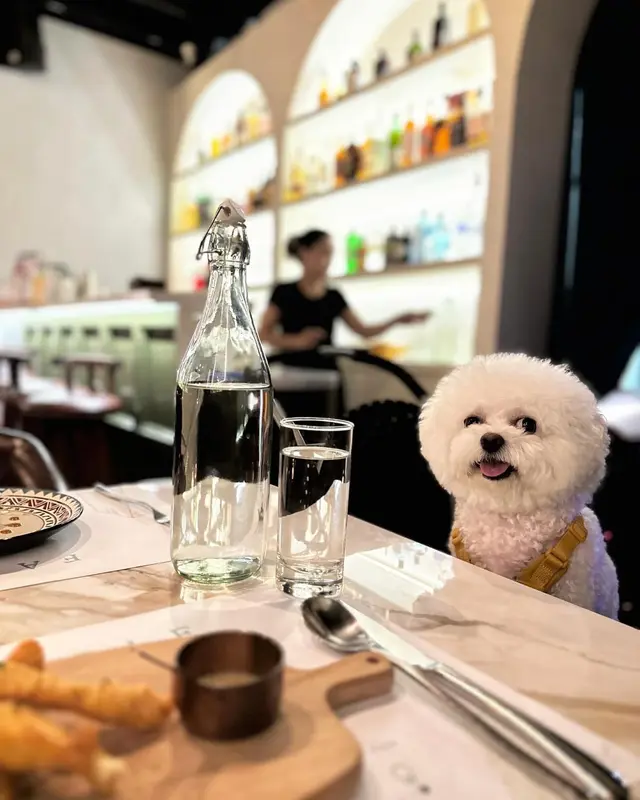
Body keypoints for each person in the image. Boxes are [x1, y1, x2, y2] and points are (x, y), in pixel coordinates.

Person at [259, 229, 428, 369]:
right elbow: (263, 334)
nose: (327, 260)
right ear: (304, 252)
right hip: (290, 376)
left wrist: (396, 320)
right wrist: (296, 341)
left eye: (330, 253)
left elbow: (364, 331)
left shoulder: (334, 296)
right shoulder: (283, 292)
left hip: (328, 377)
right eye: (322, 252)